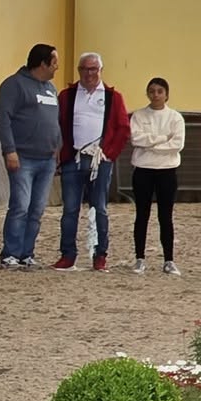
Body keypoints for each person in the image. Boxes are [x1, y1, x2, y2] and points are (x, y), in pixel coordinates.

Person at [53, 53, 130, 271]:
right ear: (79, 70)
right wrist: (60, 152)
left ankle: (100, 255)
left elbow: (123, 128)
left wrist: (109, 153)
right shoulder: (67, 95)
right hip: (73, 159)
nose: (89, 73)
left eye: (93, 69)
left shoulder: (113, 97)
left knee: (99, 209)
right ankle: (67, 255)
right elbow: (58, 124)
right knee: (70, 209)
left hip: (100, 161)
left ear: (100, 70)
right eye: (84, 69)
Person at [0, 43, 61, 269]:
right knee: (20, 206)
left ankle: (26, 252)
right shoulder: (14, 85)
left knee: (37, 209)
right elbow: (3, 119)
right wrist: (9, 150)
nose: (57, 67)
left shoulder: (51, 89)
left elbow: (54, 121)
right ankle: (10, 253)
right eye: (54, 63)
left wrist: (58, 146)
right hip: (23, 157)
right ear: (42, 63)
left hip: (47, 159)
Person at [129, 76, 187, 276]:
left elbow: (177, 144)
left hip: (167, 171)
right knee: (142, 214)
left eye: (160, 91)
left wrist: (151, 145)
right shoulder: (138, 116)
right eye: (152, 91)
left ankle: (169, 260)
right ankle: (140, 258)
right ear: (147, 93)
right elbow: (136, 138)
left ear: (166, 95)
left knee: (165, 216)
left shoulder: (175, 118)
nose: (156, 95)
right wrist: (162, 139)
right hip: (143, 170)